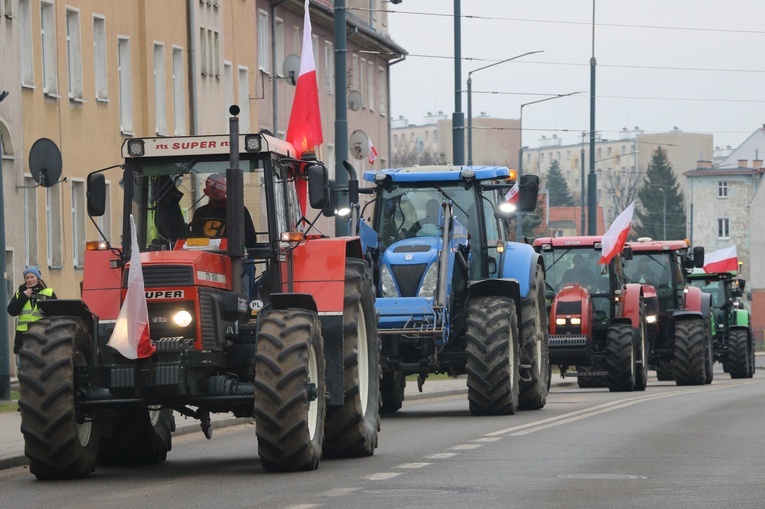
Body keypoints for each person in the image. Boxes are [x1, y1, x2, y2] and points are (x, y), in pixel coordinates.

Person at [189, 174, 257, 248]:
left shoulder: (238, 211)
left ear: (226, 190)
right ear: (206, 191)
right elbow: (195, 240)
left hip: (232, 256)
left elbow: (250, 240)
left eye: (220, 187)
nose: (217, 191)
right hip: (207, 256)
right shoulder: (200, 213)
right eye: (213, 188)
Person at [7, 267, 57, 355]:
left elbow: (55, 313)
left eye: (32, 277)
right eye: (27, 278)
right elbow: (12, 311)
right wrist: (24, 296)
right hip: (23, 334)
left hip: (43, 332)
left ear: (37, 278)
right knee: (23, 363)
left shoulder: (48, 292)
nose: (29, 280)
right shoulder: (19, 293)